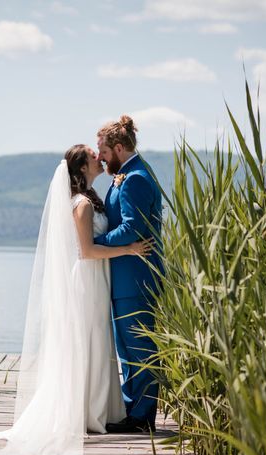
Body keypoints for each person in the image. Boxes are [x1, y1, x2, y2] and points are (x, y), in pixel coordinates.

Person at [0, 144, 152, 455]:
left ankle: (96, 408)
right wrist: (129, 249)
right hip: (88, 279)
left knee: (96, 339)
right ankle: (84, 411)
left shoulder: (92, 198)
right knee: (86, 339)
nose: (99, 158)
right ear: (81, 168)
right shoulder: (81, 204)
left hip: (98, 280)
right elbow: (86, 251)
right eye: (93, 157)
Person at [94, 115, 163, 434]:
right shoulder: (126, 173)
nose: (100, 157)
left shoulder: (134, 177)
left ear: (119, 148)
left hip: (136, 276)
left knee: (139, 348)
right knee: (127, 348)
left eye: (103, 151)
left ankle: (143, 418)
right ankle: (132, 412)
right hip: (124, 275)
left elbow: (132, 228)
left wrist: (94, 242)